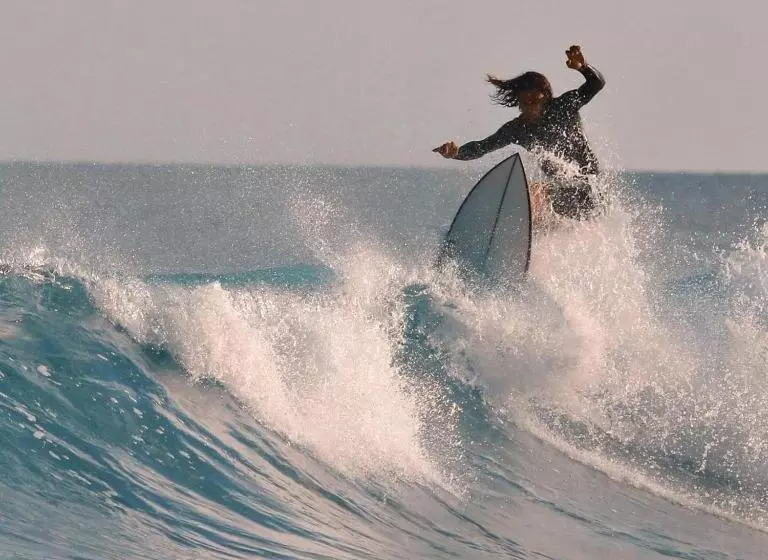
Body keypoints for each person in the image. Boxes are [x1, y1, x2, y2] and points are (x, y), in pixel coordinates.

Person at [434, 45, 605, 221]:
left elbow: (596, 84)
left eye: (533, 99)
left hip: (590, 188)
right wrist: (456, 153)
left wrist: (583, 67)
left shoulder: (564, 106)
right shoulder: (518, 129)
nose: (529, 105)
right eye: (524, 101)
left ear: (545, 95)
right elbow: (482, 147)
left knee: (531, 193)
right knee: (525, 198)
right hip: (561, 198)